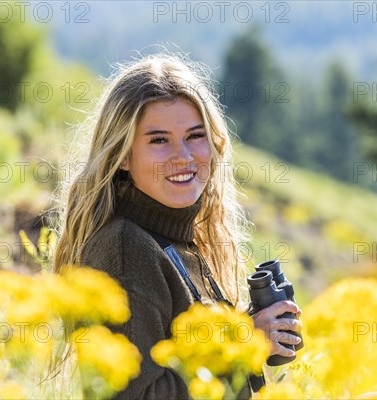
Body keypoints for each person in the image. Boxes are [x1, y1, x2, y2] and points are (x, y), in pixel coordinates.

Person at [53, 53, 303, 399]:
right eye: (158, 140)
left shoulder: (178, 241)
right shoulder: (127, 249)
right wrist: (246, 344)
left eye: (195, 135)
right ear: (123, 156)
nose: (183, 157)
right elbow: (133, 396)